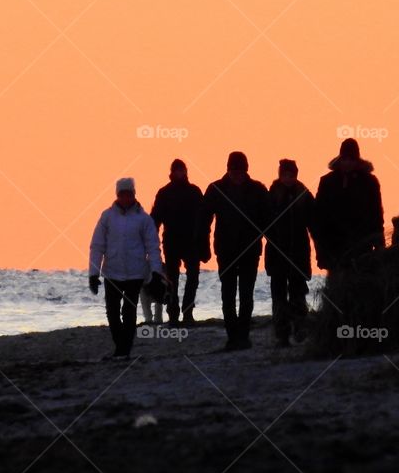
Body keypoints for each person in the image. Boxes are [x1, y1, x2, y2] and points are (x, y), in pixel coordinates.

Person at [202, 151, 271, 351]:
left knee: (247, 294)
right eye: (234, 172)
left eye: (240, 172)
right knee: (228, 294)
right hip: (226, 250)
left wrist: (272, 243)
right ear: (228, 170)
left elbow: (268, 220)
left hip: (250, 250)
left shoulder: (258, 189)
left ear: (246, 171)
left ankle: (244, 336)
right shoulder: (216, 189)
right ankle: (232, 337)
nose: (237, 176)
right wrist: (203, 246)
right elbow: (204, 219)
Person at [89, 177, 163, 358]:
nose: (125, 197)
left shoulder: (143, 219)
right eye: (122, 194)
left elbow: (153, 247)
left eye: (128, 194)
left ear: (134, 194)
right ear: (117, 195)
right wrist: (93, 273)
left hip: (135, 273)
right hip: (112, 272)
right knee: (112, 312)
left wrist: (155, 272)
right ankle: (120, 344)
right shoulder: (107, 217)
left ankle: (125, 348)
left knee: (129, 311)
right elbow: (97, 245)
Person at [313, 138, 384, 273]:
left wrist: (378, 243)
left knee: (360, 284)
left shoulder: (369, 182)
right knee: (336, 286)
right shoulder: (327, 181)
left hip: (362, 243)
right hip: (334, 245)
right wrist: (321, 250)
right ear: (340, 158)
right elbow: (319, 216)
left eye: (352, 159)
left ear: (357, 160)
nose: (348, 162)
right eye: (345, 158)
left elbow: (376, 214)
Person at [264, 159, 315, 347]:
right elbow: (264, 223)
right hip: (277, 254)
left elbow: (314, 223)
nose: (288, 178)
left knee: (298, 293)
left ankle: (300, 328)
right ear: (280, 174)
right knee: (278, 296)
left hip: (299, 253)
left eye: (291, 175)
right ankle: (282, 334)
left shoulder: (304, 195)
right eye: (285, 174)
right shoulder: (272, 195)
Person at [150, 159, 205, 326]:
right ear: (172, 173)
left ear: (186, 172)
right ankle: (173, 313)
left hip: (191, 242)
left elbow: (203, 220)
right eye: (177, 170)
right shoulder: (164, 193)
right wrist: (152, 245)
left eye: (182, 170)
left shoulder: (194, 192)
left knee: (193, 277)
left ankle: (188, 311)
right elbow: (155, 219)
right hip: (171, 242)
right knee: (172, 278)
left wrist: (203, 245)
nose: (180, 173)